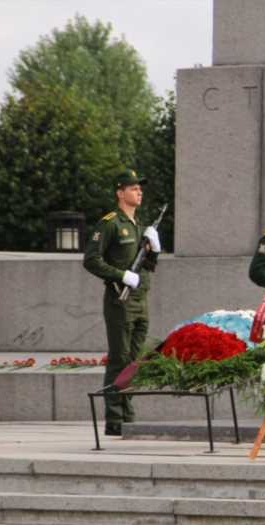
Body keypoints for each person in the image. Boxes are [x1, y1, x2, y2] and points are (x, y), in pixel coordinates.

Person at [83, 169, 160, 436]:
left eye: (140, 188)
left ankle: (128, 413)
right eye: (133, 188)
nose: (139, 191)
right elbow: (91, 259)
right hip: (119, 300)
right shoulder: (110, 223)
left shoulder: (140, 226)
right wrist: (120, 275)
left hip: (141, 300)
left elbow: (147, 267)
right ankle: (115, 418)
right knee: (119, 358)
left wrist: (154, 252)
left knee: (134, 360)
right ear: (120, 192)